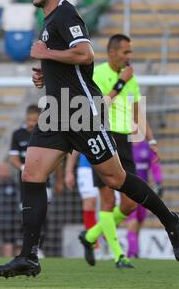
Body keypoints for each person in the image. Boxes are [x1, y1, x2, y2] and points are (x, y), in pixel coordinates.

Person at [0, 0, 179, 278]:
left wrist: (47, 55)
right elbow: (70, 63)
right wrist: (48, 73)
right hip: (56, 112)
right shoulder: (49, 20)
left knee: (116, 180)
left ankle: (171, 221)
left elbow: (85, 54)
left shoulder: (66, 14)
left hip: (82, 112)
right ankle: (29, 256)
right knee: (31, 175)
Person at [65, 34, 160, 268]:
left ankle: (89, 237)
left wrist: (151, 140)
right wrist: (119, 84)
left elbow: (138, 111)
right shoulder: (98, 73)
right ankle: (119, 255)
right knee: (107, 200)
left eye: (130, 52)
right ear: (112, 53)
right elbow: (96, 108)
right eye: (126, 52)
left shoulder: (131, 78)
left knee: (129, 204)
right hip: (103, 136)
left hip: (125, 141)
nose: (130, 56)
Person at [9, 104, 64, 258]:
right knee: (26, 217)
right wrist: (23, 167)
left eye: (34, 120)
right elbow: (13, 158)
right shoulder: (18, 134)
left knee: (41, 216)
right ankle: (27, 247)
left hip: (44, 184)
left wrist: (60, 181)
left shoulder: (46, 134)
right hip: (25, 185)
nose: (31, 123)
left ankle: (39, 248)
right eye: (29, 120)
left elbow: (57, 160)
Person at [126, 140, 164, 258]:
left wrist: (158, 182)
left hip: (143, 191)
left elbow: (155, 166)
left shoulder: (146, 147)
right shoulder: (124, 145)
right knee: (132, 222)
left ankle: (134, 251)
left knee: (140, 221)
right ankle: (132, 253)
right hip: (127, 190)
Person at [65, 152, 98, 231]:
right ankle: (92, 241)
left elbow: (133, 142)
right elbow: (74, 148)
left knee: (111, 204)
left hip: (111, 166)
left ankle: (108, 239)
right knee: (89, 202)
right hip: (87, 166)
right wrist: (68, 171)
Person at [0, 161, 21, 257]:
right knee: (6, 244)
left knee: (18, 245)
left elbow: (19, 202)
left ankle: (20, 262)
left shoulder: (14, 184)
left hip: (15, 221)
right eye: (1, 170)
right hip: (1, 221)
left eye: (5, 169)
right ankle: (8, 262)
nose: (3, 172)